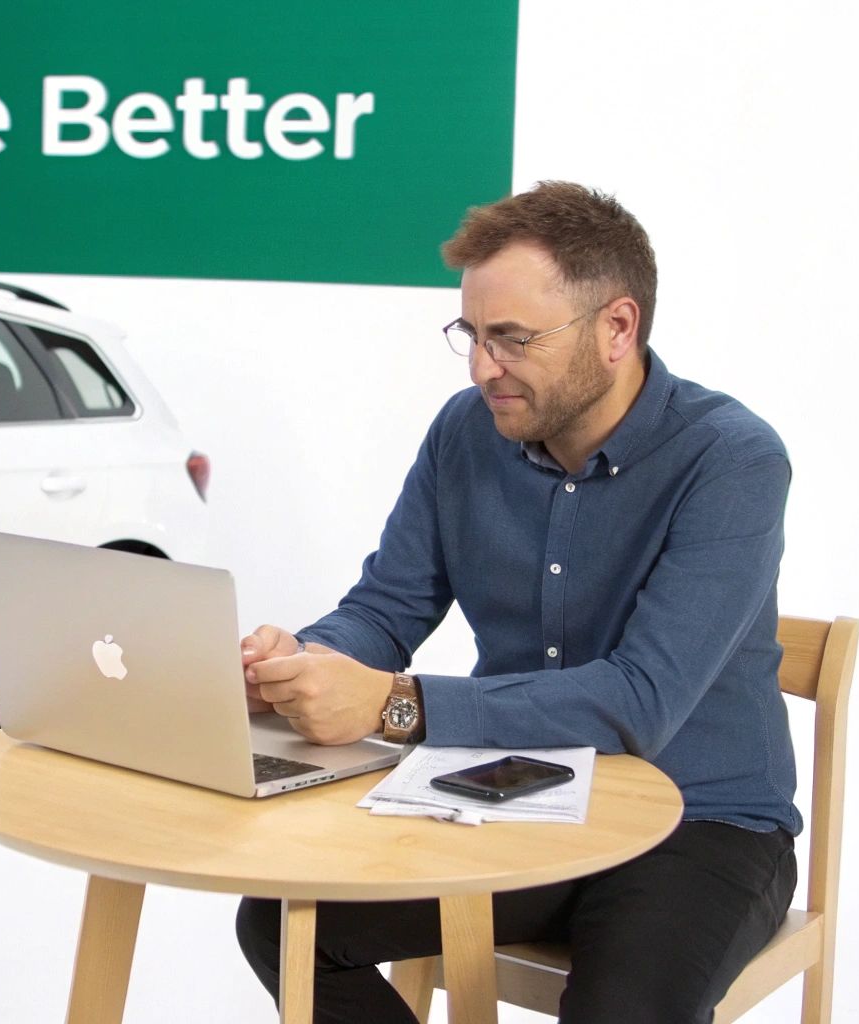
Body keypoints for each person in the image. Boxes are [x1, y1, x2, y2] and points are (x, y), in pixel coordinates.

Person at [233, 181, 800, 1023]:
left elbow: (640, 701)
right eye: (471, 335)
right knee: (285, 924)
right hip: (513, 793)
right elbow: (388, 607)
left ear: (617, 327)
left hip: (702, 822)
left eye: (513, 339)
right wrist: (307, 662)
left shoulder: (732, 460)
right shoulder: (465, 432)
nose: (482, 367)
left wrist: (391, 705)